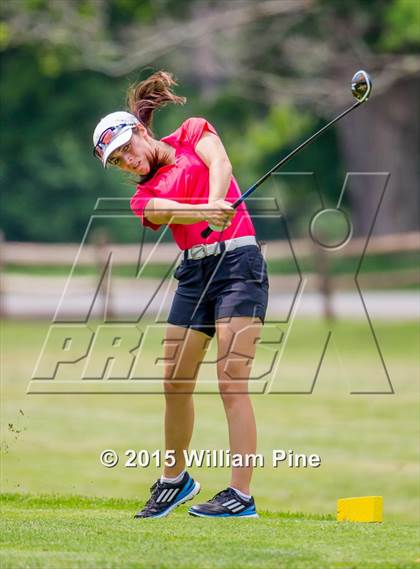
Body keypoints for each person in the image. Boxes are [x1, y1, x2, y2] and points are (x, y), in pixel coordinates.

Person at [93, 70, 269, 519]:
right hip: (194, 273)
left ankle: (240, 495)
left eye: (127, 150)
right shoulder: (143, 195)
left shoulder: (193, 131)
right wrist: (205, 210)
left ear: (141, 131)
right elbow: (163, 209)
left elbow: (221, 164)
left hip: (238, 266)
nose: (128, 162)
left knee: (232, 382)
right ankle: (175, 481)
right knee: (175, 381)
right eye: (118, 162)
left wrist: (216, 203)